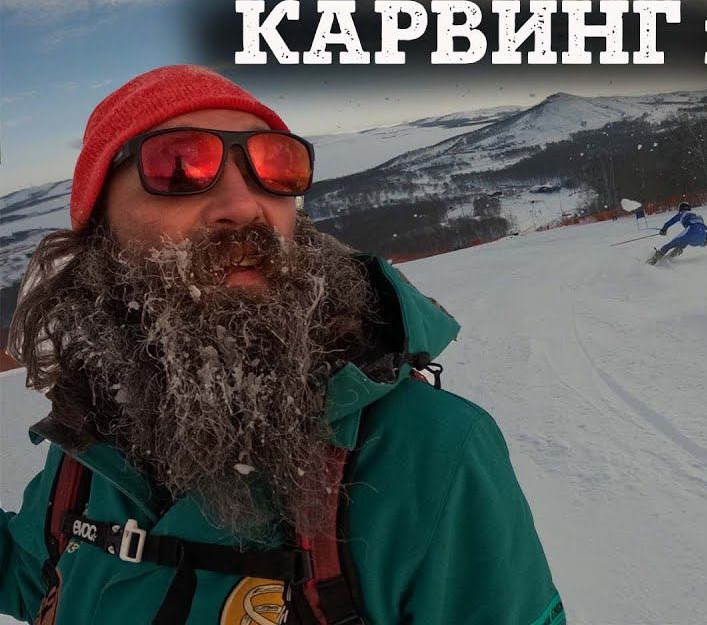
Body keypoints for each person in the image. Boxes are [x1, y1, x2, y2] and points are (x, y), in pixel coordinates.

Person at [0, 65, 565, 625]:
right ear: (98, 222)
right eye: (180, 166)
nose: (245, 206)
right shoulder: (93, 435)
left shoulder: (429, 452)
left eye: (275, 165)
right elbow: (40, 578)